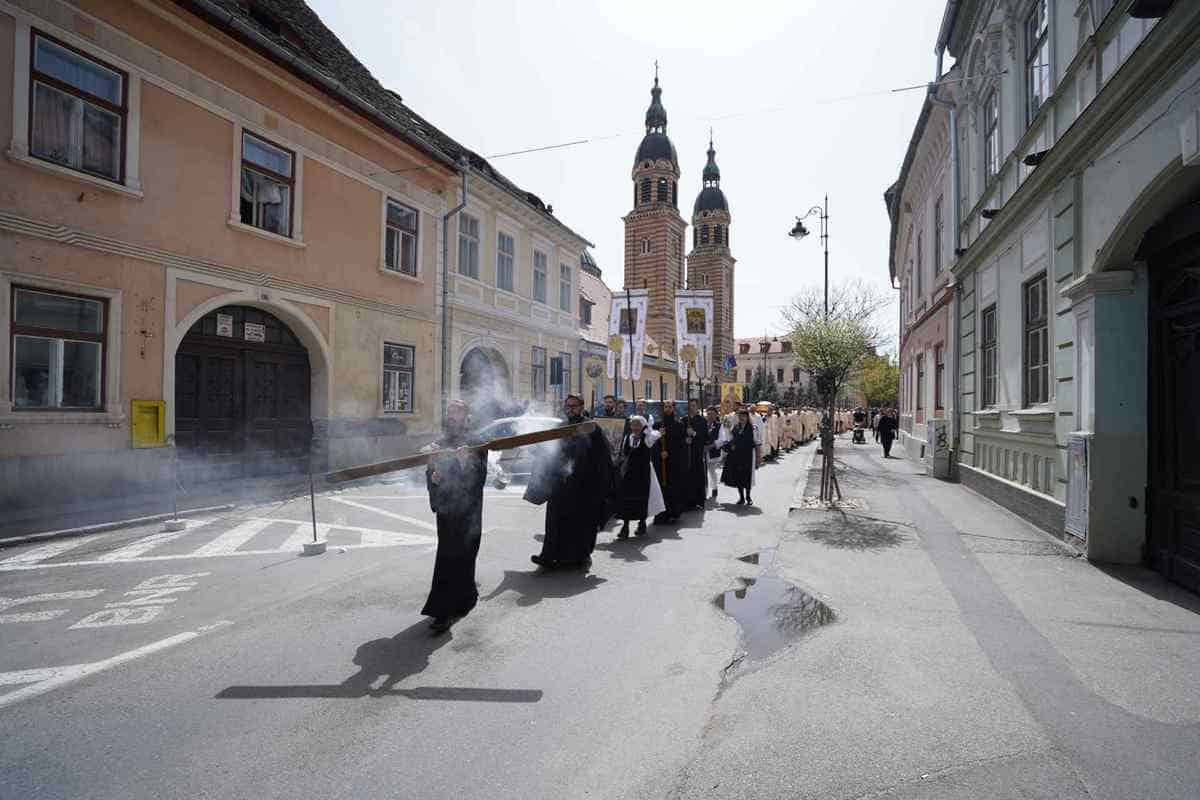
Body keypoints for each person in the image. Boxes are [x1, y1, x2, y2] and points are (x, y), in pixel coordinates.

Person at [423, 400, 488, 634]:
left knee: (464, 555)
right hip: (447, 509)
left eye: (457, 411)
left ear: (466, 416)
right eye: (449, 411)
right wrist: (434, 478)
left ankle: (463, 599)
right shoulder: (440, 443)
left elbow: (480, 477)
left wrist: (464, 462)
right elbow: (431, 471)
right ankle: (444, 608)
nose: (452, 415)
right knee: (447, 557)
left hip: (468, 511)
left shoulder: (477, 441)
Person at [526, 395, 614, 570]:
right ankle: (549, 556)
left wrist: (598, 481)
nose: (570, 409)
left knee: (581, 523)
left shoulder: (591, 428)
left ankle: (580, 557)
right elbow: (550, 449)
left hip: (582, 484)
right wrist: (537, 450)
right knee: (555, 520)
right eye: (568, 406)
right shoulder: (560, 427)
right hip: (560, 482)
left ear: (581, 407)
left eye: (574, 406)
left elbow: (602, 456)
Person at [614, 416, 666, 538]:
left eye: (638, 425)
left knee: (642, 498)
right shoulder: (628, 437)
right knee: (625, 499)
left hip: (643, 473)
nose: (635, 427)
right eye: (633, 425)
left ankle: (642, 523)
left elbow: (655, 434)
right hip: (629, 472)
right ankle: (625, 526)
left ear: (642, 426)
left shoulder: (647, 438)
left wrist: (658, 432)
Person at [650, 400, 688, 522]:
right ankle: (661, 514)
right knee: (661, 488)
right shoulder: (657, 425)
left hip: (673, 462)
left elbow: (681, 445)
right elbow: (652, 442)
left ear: (673, 409)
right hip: (660, 462)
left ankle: (673, 513)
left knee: (673, 488)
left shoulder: (679, 425)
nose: (667, 409)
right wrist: (659, 452)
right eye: (665, 407)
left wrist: (669, 453)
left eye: (670, 407)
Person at [721, 408, 758, 505]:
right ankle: (741, 497)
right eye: (740, 416)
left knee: (747, 477)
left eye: (744, 416)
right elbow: (732, 438)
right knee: (738, 477)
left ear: (747, 417)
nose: (741, 418)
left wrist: (759, 457)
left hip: (747, 455)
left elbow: (755, 442)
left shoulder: (751, 428)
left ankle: (748, 497)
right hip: (737, 456)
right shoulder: (736, 427)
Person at [684, 399, 709, 509]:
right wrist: (685, 439)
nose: (691, 408)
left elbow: (705, 437)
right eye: (689, 406)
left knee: (697, 477)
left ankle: (698, 500)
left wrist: (694, 434)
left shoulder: (702, 421)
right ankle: (687, 501)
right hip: (686, 453)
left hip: (697, 453)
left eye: (693, 406)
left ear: (697, 407)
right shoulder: (684, 420)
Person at [704, 406, 724, 501]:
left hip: (713, 452)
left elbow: (722, 439)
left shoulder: (719, 425)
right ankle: (704, 490)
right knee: (703, 472)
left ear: (716, 415)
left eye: (712, 414)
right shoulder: (703, 424)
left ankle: (714, 488)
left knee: (712, 471)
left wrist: (712, 445)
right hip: (703, 452)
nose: (710, 416)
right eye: (708, 414)